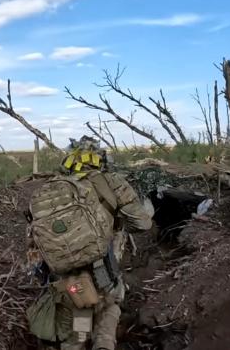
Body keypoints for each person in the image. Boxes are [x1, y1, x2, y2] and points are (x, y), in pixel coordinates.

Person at [26, 136, 153, 350]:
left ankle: (80, 339)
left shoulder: (51, 191)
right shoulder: (112, 182)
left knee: (79, 326)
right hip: (103, 274)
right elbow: (143, 224)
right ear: (99, 158)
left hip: (68, 282)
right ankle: (103, 343)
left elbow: (34, 243)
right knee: (109, 307)